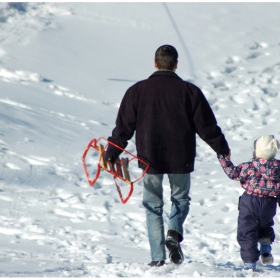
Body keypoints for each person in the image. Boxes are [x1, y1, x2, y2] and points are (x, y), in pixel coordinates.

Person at [105, 44, 230, 267]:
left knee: (153, 205)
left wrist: (112, 151)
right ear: (176, 64)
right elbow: (207, 126)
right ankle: (174, 231)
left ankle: (157, 258)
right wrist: (222, 148)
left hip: (148, 158)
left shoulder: (137, 91)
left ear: (155, 63)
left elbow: (123, 127)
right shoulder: (189, 91)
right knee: (180, 199)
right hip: (181, 157)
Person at [218, 135, 280, 271]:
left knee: (247, 232)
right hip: (269, 205)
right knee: (265, 226)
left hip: (250, 203)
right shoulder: (278, 168)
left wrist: (223, 159)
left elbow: (233, 173)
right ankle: (265, 249)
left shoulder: (250, 166)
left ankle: (250, 263)